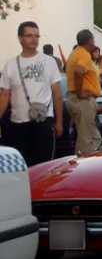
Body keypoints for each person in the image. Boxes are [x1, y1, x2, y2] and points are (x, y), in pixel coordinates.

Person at [0, 22, 64, 166]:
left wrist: (59, 122)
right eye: (29, 35)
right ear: (20, 38)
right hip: (18, 124)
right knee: (23, 167)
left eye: (36, 35)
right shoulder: (10, 65)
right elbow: (4, 95)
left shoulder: (49, 62)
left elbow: (56, 93)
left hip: (43, 122)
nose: (34, 39)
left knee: (44, 167)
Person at [66, 29, 102, 154]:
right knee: (86, 139)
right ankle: (85, 165)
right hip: (83, 101)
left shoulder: (75, 53)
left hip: (77, 99)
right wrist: (80, 92)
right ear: (89, 41)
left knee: (93, 136)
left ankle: (95, 159)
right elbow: (78, 71)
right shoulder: (84, 54)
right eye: (93, 40)